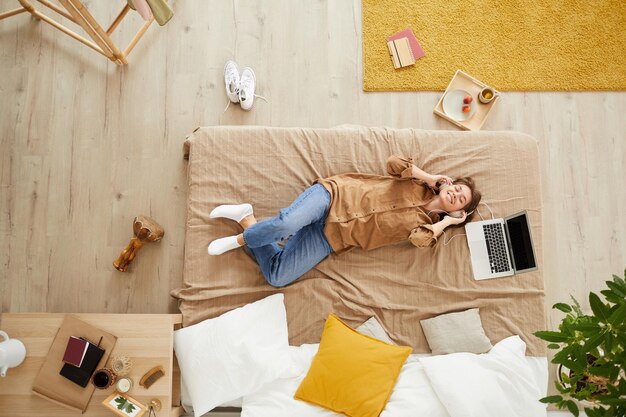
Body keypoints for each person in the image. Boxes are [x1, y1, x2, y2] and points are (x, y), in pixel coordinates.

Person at [207, 155, 481, 287]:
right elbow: (394, 162)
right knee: (284, 225)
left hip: (331, 238)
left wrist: (448, 223)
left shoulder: (429, 227)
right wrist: (428, 177)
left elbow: (420, 240)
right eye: (457, 188)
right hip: (333, 197)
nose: (456, 194)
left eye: (461, 200)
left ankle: (246, 218)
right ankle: (239, 240)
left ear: (458, 211)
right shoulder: (419, 182)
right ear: (450, 182)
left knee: (278, 277)